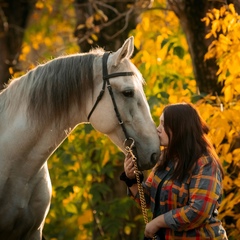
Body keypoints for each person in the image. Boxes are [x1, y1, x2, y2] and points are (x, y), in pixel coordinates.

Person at [120, 102, 228, 240]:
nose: (158, 129)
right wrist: (132, 179)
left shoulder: (205, 164)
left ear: (179, 129)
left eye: (163, 124)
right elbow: (148, 200)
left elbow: (198, 211)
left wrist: (158, 223)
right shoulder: (165, 157)